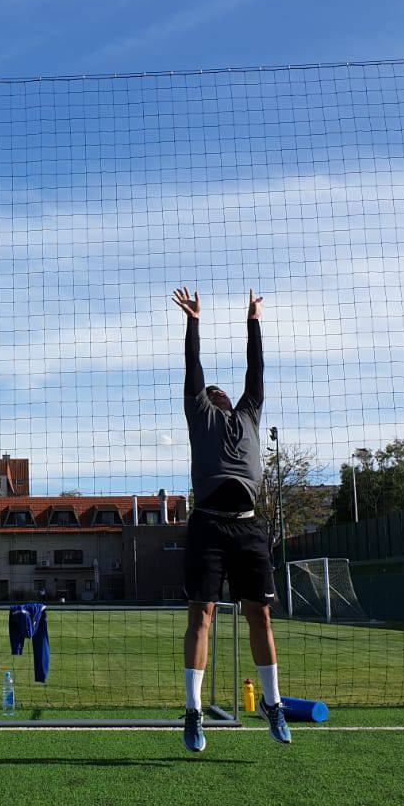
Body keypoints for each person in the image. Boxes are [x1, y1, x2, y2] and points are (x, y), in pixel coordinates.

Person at [172, 286, 291, 751]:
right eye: (212, 389)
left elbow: (256, 371)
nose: (217, 390)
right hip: (207, 525)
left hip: (247, 525)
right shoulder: (199, 413)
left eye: (222, 390)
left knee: (260, 615)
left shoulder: (249, 414)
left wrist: (253, 320)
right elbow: (193, 369)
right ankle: (193, 711)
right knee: (201, 616)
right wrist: (193, 322)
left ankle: (273, 703)